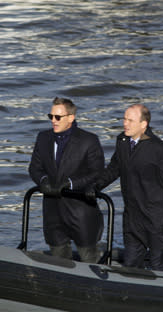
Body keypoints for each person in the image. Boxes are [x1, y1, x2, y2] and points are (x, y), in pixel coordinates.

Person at [90, 104, 163, 271]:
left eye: (130, 120)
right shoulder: (122, 142)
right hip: (132, 218)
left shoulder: (159, 149)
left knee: (158, 267)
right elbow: (114, 168)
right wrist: (95, 186)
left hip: (157, 220)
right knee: (130, 264)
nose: (125, 123)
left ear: (143, 124)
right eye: (124, 119)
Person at [28, 97, 104, 263]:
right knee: (59, 263)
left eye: (58, 117)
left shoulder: (89, 140)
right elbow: (34, 167)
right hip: (53, 213)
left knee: (90, 260)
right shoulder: (43, 138)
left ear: (71, 118)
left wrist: (70, 184)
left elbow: (97, 172)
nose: (53, 121)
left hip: (80, 212)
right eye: (51, 116)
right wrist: (43, 181)